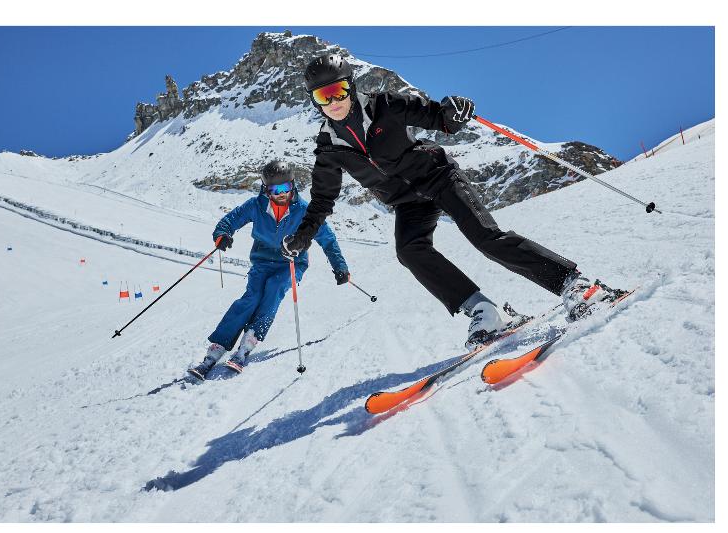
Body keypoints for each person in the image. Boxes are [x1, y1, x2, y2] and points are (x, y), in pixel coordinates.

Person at [281, 55, 625, 349]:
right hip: (407, 203)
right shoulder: (328, 148)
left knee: (486, 238)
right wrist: (303, 236)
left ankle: (576, 285)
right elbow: (322, 200)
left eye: (338, 90)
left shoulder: (386, 105)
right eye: (323, 96)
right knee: (409, 251)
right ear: (315, 101)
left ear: (350, 86)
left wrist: (455, 110)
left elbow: (439, 118)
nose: (334, 101)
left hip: (438, 177)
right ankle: (483, 311)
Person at [189, 160, 349, 378]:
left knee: (274, 290)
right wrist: (222, 234)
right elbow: (231, 219)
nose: (281, 194)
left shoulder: (304, 211)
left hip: (291, 262)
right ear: (266, 189)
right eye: (275, 189)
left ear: (293, 185)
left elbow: (327, 239)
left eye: (285, 188)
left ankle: (248, 343)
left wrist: (339, 265)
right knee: (251, 297)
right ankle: (216, 349)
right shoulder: (256, 206)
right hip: (262, 261)